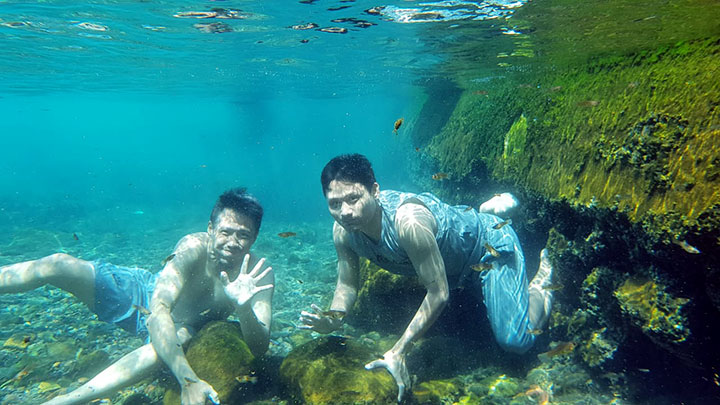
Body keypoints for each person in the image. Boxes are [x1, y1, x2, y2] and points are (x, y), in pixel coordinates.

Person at [299, 154, 554, 402]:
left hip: (489, 247)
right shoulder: (343, 232)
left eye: (354, 199)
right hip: (456, 267)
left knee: (515, 341)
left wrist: (398, 351)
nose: (345, 212)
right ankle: (486, 211)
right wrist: (333, 318)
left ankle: (545, 275)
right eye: (334, 204)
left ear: (375, 190)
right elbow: (346, 284)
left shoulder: (408, 223)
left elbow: (439, 293)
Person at [0, 188, 274, 405]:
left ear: (255, 238)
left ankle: (66, 400)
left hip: (184, 327)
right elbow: (158, 310)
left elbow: (260, 346)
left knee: (177, 340)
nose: (232, 243)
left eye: (243, 235)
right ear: (210, 229)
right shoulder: (193, 246)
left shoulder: (258, 275)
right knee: (58, 264)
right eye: (225, 231)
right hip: (144, 293)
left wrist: (243, 308)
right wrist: (188, 381)